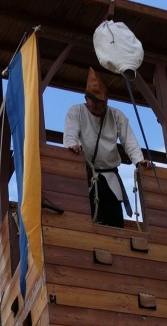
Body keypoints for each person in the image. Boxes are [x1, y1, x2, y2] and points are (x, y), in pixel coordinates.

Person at [64, 68, 151, 227]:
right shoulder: (76, 112)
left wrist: (139, 161)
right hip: (85, 175)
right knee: (84, 218)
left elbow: (129, 142)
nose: (99, 105)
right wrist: (72, 147)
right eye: (95, 101)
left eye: (102, 101)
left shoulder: (117, 116)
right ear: (86, 98)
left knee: (114, 220)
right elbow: (70, 135)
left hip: (109, 176)